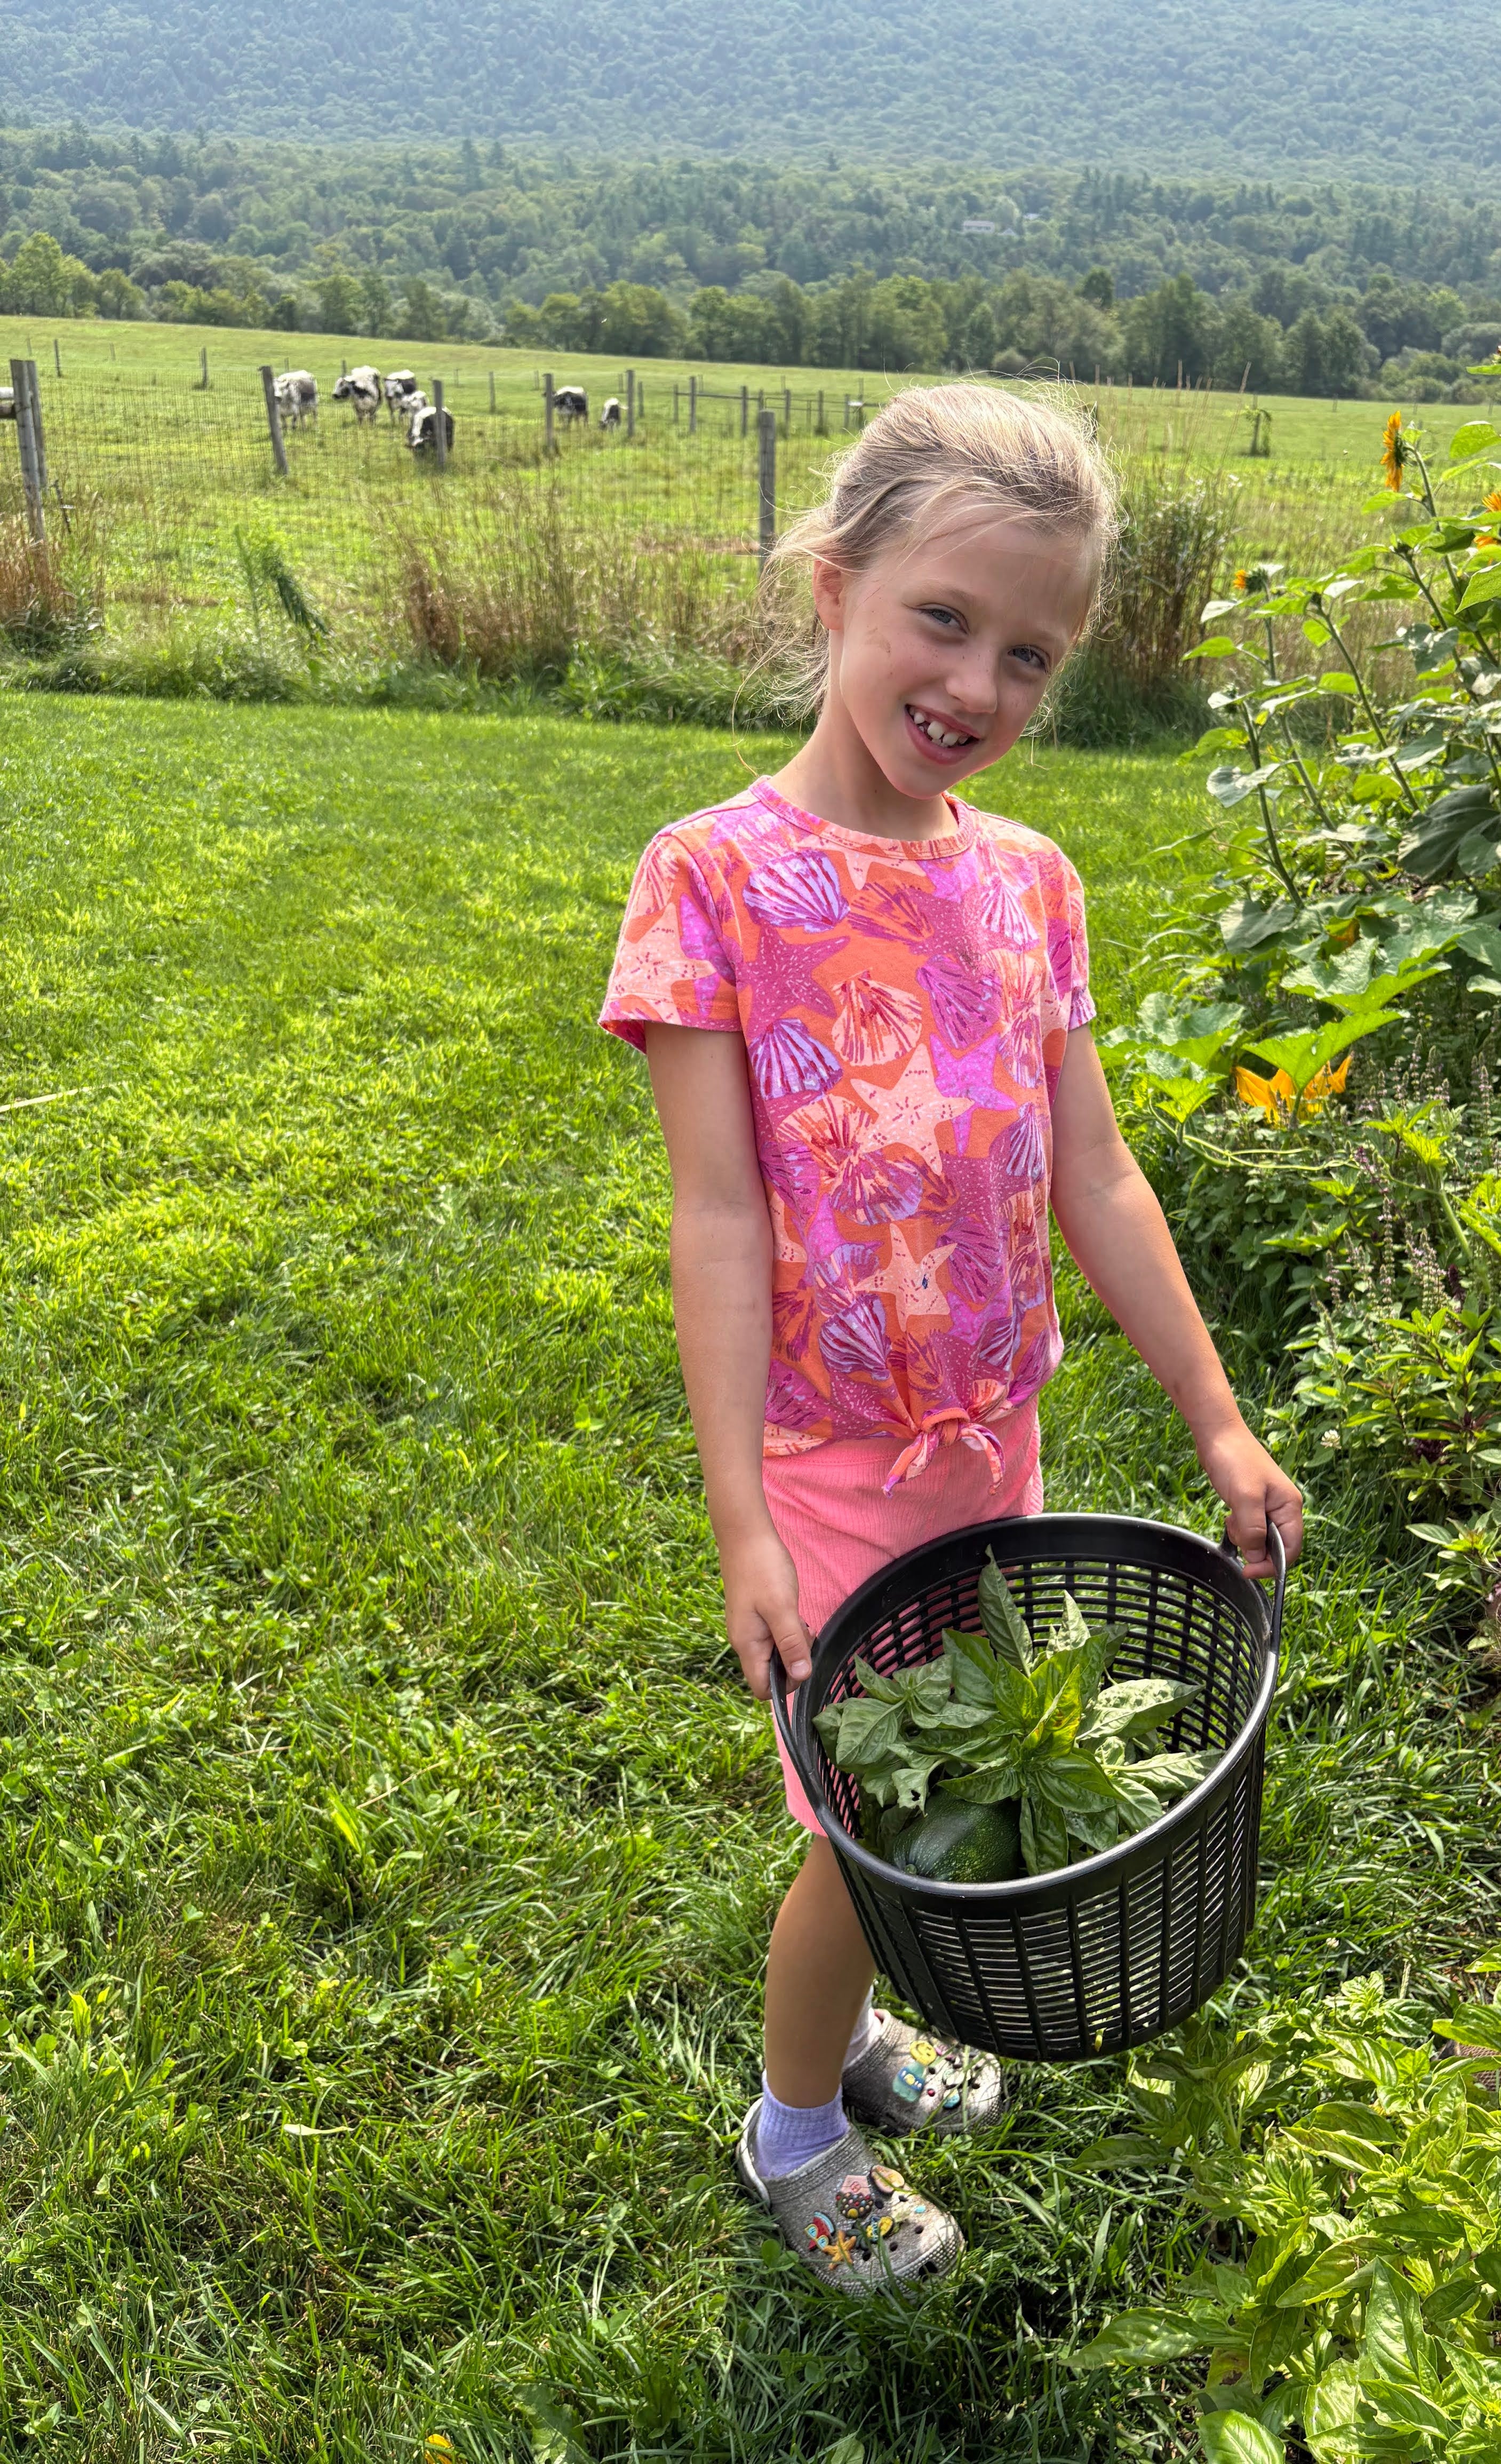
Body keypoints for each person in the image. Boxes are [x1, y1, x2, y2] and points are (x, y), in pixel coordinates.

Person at [599, 383, 1303, 2296]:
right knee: (873, 1825)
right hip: (830, 1463)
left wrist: (1222, 1424)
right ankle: (799, 2124)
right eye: (941, 618)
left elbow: (1099, 1178)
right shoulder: (715, 882)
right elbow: (722, 1217)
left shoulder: (1027, 885)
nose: (979, 679)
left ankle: (873, 2034)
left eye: (1032, 652)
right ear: (832, 591)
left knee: (942, 1774)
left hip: (991, 1440)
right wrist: (742, 1515)